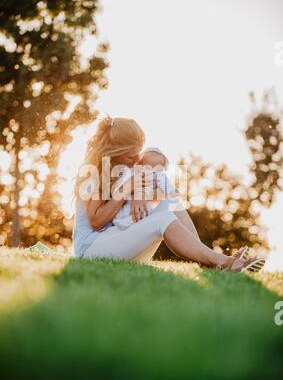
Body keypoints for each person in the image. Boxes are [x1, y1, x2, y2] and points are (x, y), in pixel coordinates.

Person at [73, 116, 265, 272]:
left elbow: (158, 194)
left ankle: (208, 260)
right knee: (162, 219)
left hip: (118, 244)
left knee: (171, 203)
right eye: (131, 156)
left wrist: (142, 193)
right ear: (115, 151)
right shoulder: (93, 172)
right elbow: (96, 222)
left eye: (137, 155)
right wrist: (127, 189)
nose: (135, 161)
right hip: (91, 250)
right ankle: (224, 262)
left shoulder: (125, 170)